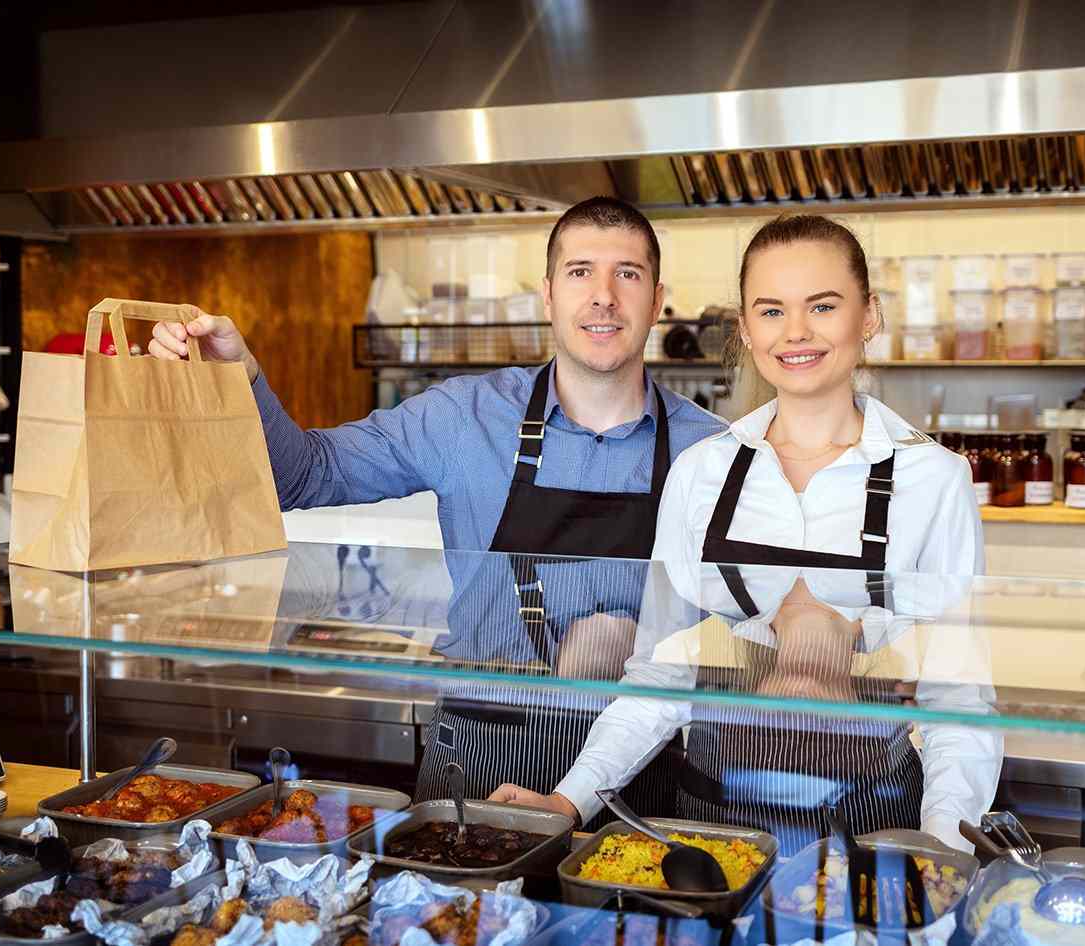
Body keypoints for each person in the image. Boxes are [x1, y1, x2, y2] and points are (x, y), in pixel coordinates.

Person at [147, 197, 724, 819]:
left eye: (627, 274)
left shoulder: (712, 450)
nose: (604, 295)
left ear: (657, 298)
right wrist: (238, 377)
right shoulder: (461, 417)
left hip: (636, 766)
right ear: (549, 294)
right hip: (480, 751)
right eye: (581, 271)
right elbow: (306, 477)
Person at [490, 213, 1001, 853]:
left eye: (822, 306)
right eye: (770, 311)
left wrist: (942, 851)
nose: (795, 333)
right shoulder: (702, 473)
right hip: (709, 822)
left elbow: (960, 704)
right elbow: (660, 680)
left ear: (868, 315)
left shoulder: (934, 481)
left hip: (874, 824)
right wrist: (568, 800)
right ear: (745, 330)